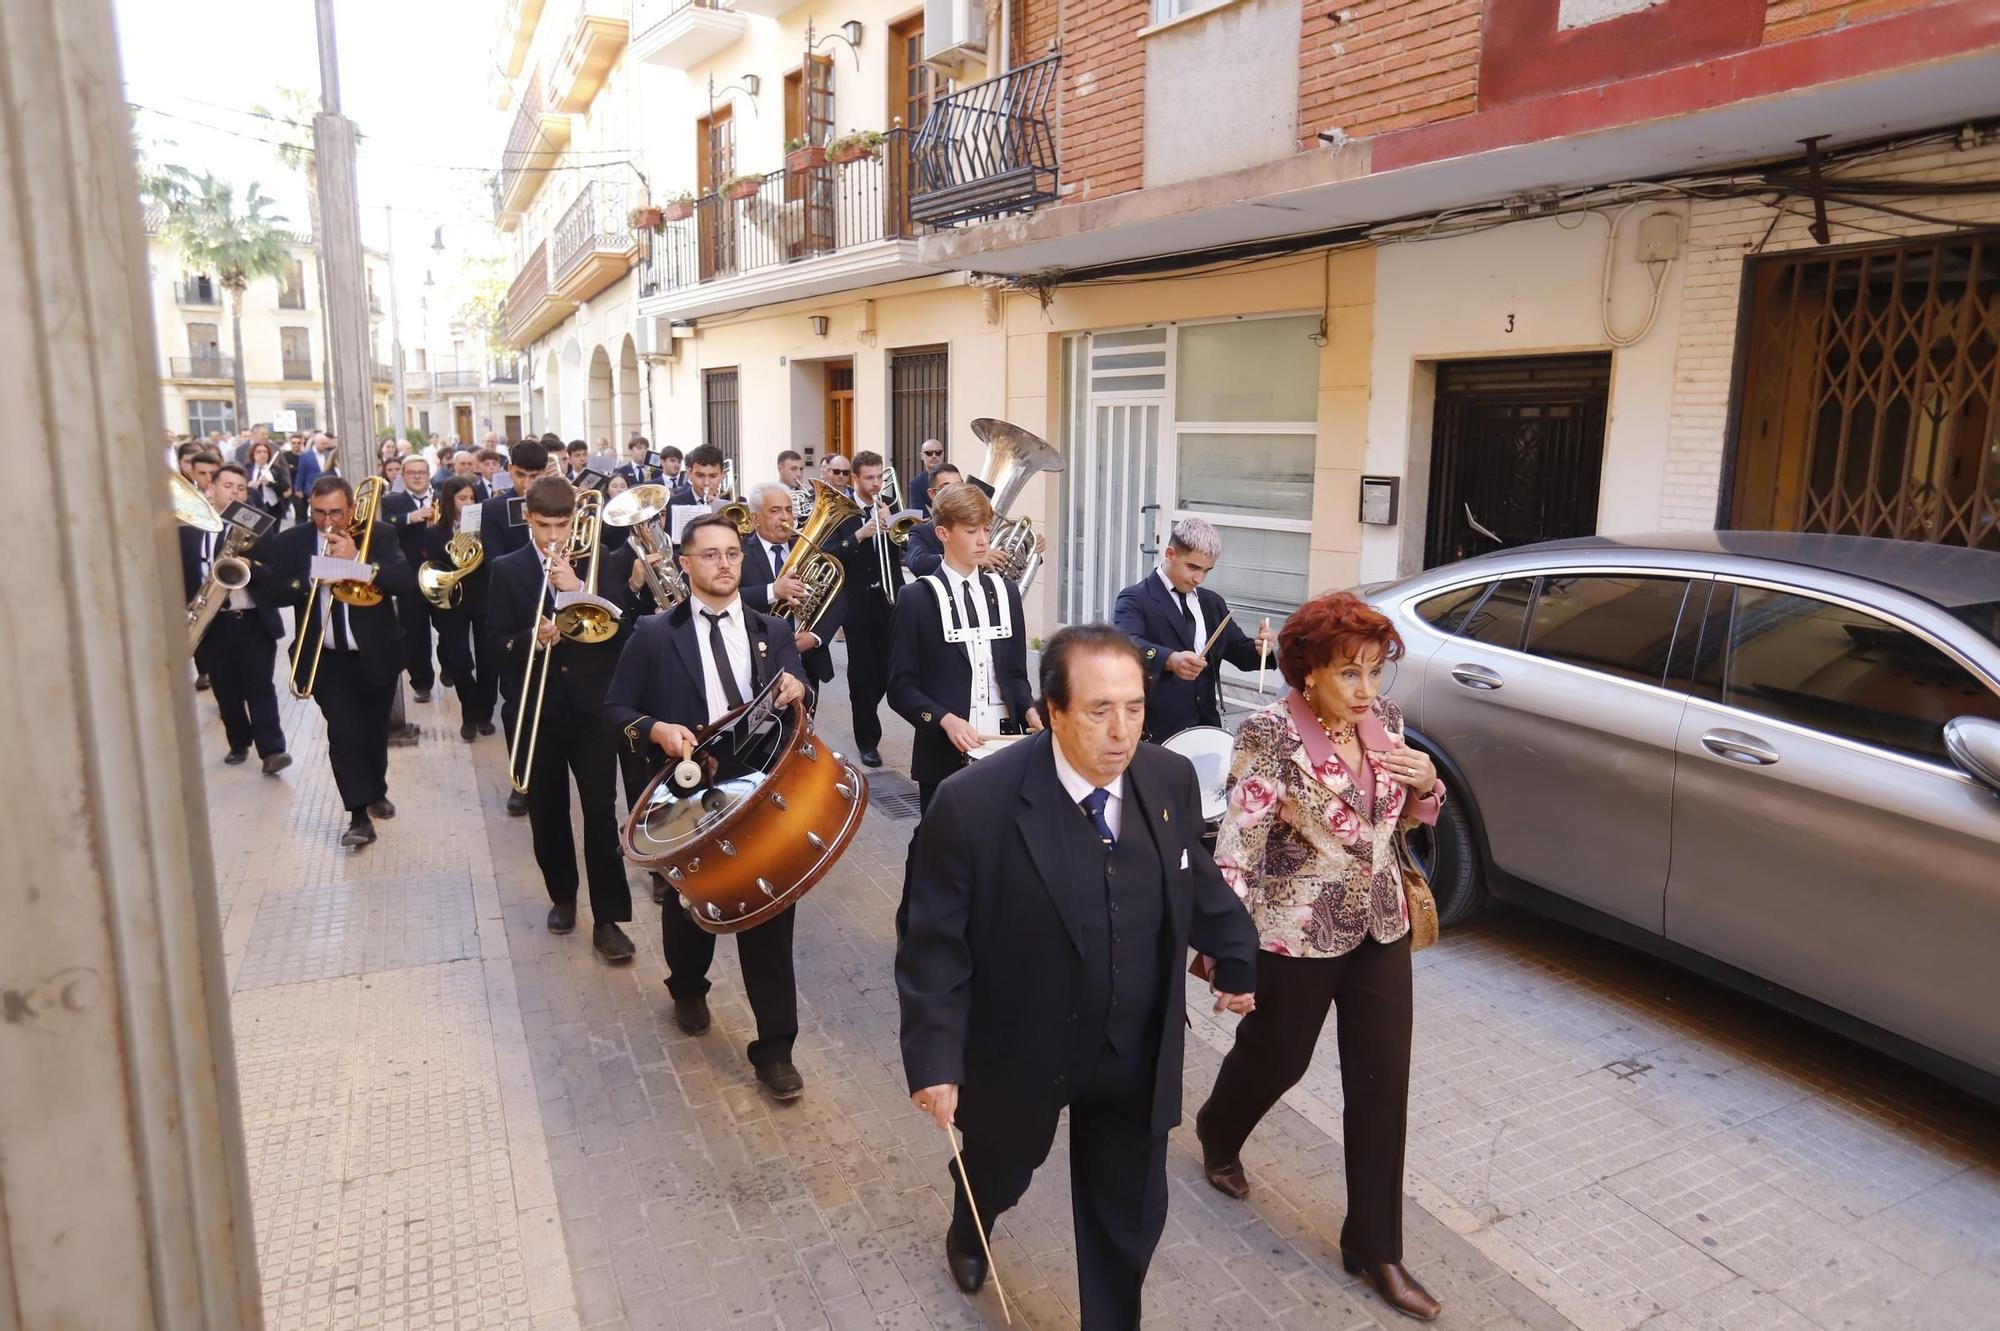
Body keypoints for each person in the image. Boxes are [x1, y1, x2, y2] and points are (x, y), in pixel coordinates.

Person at [898, 625, 1260, 1328]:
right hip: (1023, 1044)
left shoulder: (1169, 777)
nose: (1122, 730)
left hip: (1134, 1044)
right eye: (1100, 710)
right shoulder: (973, 804)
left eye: (1134, 707)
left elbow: (1192, 873)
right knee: (1002, 1167)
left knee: (1130, 1215)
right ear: (1053, 709)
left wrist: (1234, 952)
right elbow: (932, 942)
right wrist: (935, 1057)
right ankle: (973, 1215)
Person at [1193, 590, 1445, 1321]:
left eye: (1376, 671)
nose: (1368, 691)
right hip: (1294, 932)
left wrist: (1428, 788)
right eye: (1350, 674)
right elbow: (1236, 848)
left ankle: (1375, 1245)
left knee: (1381, 1082)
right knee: (1279, 1056)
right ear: (1308, 673)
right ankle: (1218, 1126)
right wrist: (1225, 953)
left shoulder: (1387, 723)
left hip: (1381, 927)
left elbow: (1400, 821)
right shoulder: (1269, 733)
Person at [603, 513, 811, 1101]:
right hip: (688, 793)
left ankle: (775, 1049)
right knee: (689, 904)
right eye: (711, 555)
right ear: (685, 565)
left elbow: (800, 709)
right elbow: (616, 712)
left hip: (762, 795)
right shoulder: (652, 634)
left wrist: (799, 690)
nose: (725, 564)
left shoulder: (772, 627)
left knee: (769, 916)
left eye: (733, 554)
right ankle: (688, 986)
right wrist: (656, 730)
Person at [487, 475, 641, 963]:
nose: (553, 536)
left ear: (575, 520)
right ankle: (562, 896)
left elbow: (626, 631)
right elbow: (494, 644)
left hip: (593, 709)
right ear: (527, 519)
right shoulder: (507, 569)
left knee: (600, 814)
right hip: (536, 708)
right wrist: (532, 638)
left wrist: (578, 593)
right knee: (546, 812)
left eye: (562, 524)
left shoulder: (600, 564)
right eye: (542, 525)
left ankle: (610, 918)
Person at [267, 475, 415, 848]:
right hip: (327, 659)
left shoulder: (379, 535)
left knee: (373, 731)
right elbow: (270, 589)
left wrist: (357, 563)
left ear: (351, 509)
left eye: (335, 512)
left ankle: (376, 789)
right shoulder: (292, 541)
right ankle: (358, 815)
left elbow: (405, 582)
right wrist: (310, 579)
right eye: (318, 512)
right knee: (344, 734)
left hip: (375, 652)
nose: (327, 521)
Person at [887, 482, 1038, 812]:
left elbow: (1014, 675)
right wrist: (945, 720)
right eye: (971, 531)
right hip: (944, 753)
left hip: (1006, 747)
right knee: (944, 856)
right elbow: (901, 689)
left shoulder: (1006, 593)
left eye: (985, 528)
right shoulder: (916, 598)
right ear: (942, 533)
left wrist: (1029, 708)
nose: (983, 540)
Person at [1114, 518, 1274, 744]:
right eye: (1192, 567)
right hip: (1156, 730)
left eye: (1207, 571)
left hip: (1206, 727)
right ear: (1170, 554)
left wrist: (1261, 649)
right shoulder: (1135, 598)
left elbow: (1239, 651)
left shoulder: (1212, 603)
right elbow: (1127, 645)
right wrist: (1170, 659)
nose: (1199, 578)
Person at [181, 463, 291, 774]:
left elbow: (275, 574)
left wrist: (250, 565)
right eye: (228, 486)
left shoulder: (259, 528)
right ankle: (239, 742)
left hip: (253, 619)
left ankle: (272, 750)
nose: (236, 492)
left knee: (260, 686)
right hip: (212, 621)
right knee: (225, 688)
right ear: (211, 489)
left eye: (241, 488)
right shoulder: (189, 530)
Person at [823, 450, 899, 767]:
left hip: (890, 601)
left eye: (880, 476)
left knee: (887, 673)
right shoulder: (841, 512)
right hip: (857, 606)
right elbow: (828, 554)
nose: (876, 483)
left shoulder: (887, 507)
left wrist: (898, 527)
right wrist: (861, 533)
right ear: (855, 478)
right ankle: (867, 740)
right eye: (869, 477)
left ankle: (869, 714)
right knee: (861, 676)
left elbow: (900, 550)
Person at [738, 481, 840, 706]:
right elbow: (730, 597)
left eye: (788, 510)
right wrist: (772, 591)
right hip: (754, 656)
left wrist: (814, 637)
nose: (785, 517)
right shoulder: (739, 552)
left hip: (806, 656)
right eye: (774, 511)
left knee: (803, 720)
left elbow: (839, 600)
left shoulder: (812, 552)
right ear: (755, 519)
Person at [420, 475, 497, 742]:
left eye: (472, 498)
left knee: (489, 661)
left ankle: (485, 714)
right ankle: (469, 713)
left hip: (484, 598)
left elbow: (495, 563)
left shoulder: (486, 529)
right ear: (450, 501)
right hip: (453, 601)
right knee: (461, 660)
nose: (468, 503)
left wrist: (476, 539)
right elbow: (435, 565)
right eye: (462, 498)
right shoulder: (434, 532)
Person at [382, 456, 441, 702]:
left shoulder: (441, 498)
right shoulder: (392, 501)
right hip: (410, 576)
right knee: (415, 633)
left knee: (449, 629)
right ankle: (422, 683)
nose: (417, 476)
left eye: (422, 472)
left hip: (440, 574)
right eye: (412, 473)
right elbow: (382, 525)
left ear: (429, 474)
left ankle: (449, 665)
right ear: (403, 476)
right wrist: (409, 517)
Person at [902, 464, 961, 578]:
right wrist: (968, 557)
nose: (956, 493)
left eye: (959, 487)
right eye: (947, 488)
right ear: (933, 494)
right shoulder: (921, 531)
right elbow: (918, 564)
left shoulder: (978, 527)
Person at [245, 439, 291, 523]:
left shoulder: (275, 469)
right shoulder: (247, 469)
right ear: (253, 454)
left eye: (265, 452)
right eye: (258, 452)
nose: (262, 454)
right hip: (254, 506)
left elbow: (285, 486)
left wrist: (270, 483)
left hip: (274, 506)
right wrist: (249, 485)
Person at [908, 438, 946, 514]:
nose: (934, 456)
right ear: (922, 456)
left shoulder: (953, 476)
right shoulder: (916, 484)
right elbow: (919, 515)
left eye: (938, 452)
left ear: (943, 454)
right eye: (929, 453)